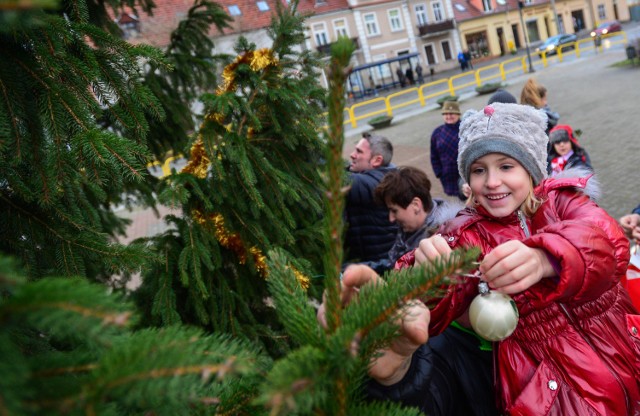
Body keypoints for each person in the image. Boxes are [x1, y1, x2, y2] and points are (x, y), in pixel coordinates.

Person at [367, 102, 640, 414]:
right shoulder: (467, 234)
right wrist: (426, 279)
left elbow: (607, 240)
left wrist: (545, 258)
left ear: (532, 169)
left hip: (622, 349)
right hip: (552, 392)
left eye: (506, 166)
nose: (492, 181)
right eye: (479, 170)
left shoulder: (562, 202)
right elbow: (440, 303)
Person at [365, 166, 463, 274]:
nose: (391, 218)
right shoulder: (410, 229)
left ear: (416, 205)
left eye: (394, 211)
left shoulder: (445, 238)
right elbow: (392, 264)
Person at [343, 133, 398, 266]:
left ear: (377, 161)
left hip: (378, 265)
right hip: (370, 260)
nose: (352, 154)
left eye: (359, 151)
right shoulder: (383, 175)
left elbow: (336, 179)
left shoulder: (377, 183)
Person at [430, 101, 463, 199]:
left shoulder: (465, 128)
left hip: (465, 174)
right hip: (448, 176)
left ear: (458, 114)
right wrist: (439, 172)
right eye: (446, 114)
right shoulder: (437, 132)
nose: (449, 116)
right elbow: (434, 155)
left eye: (452, 113)